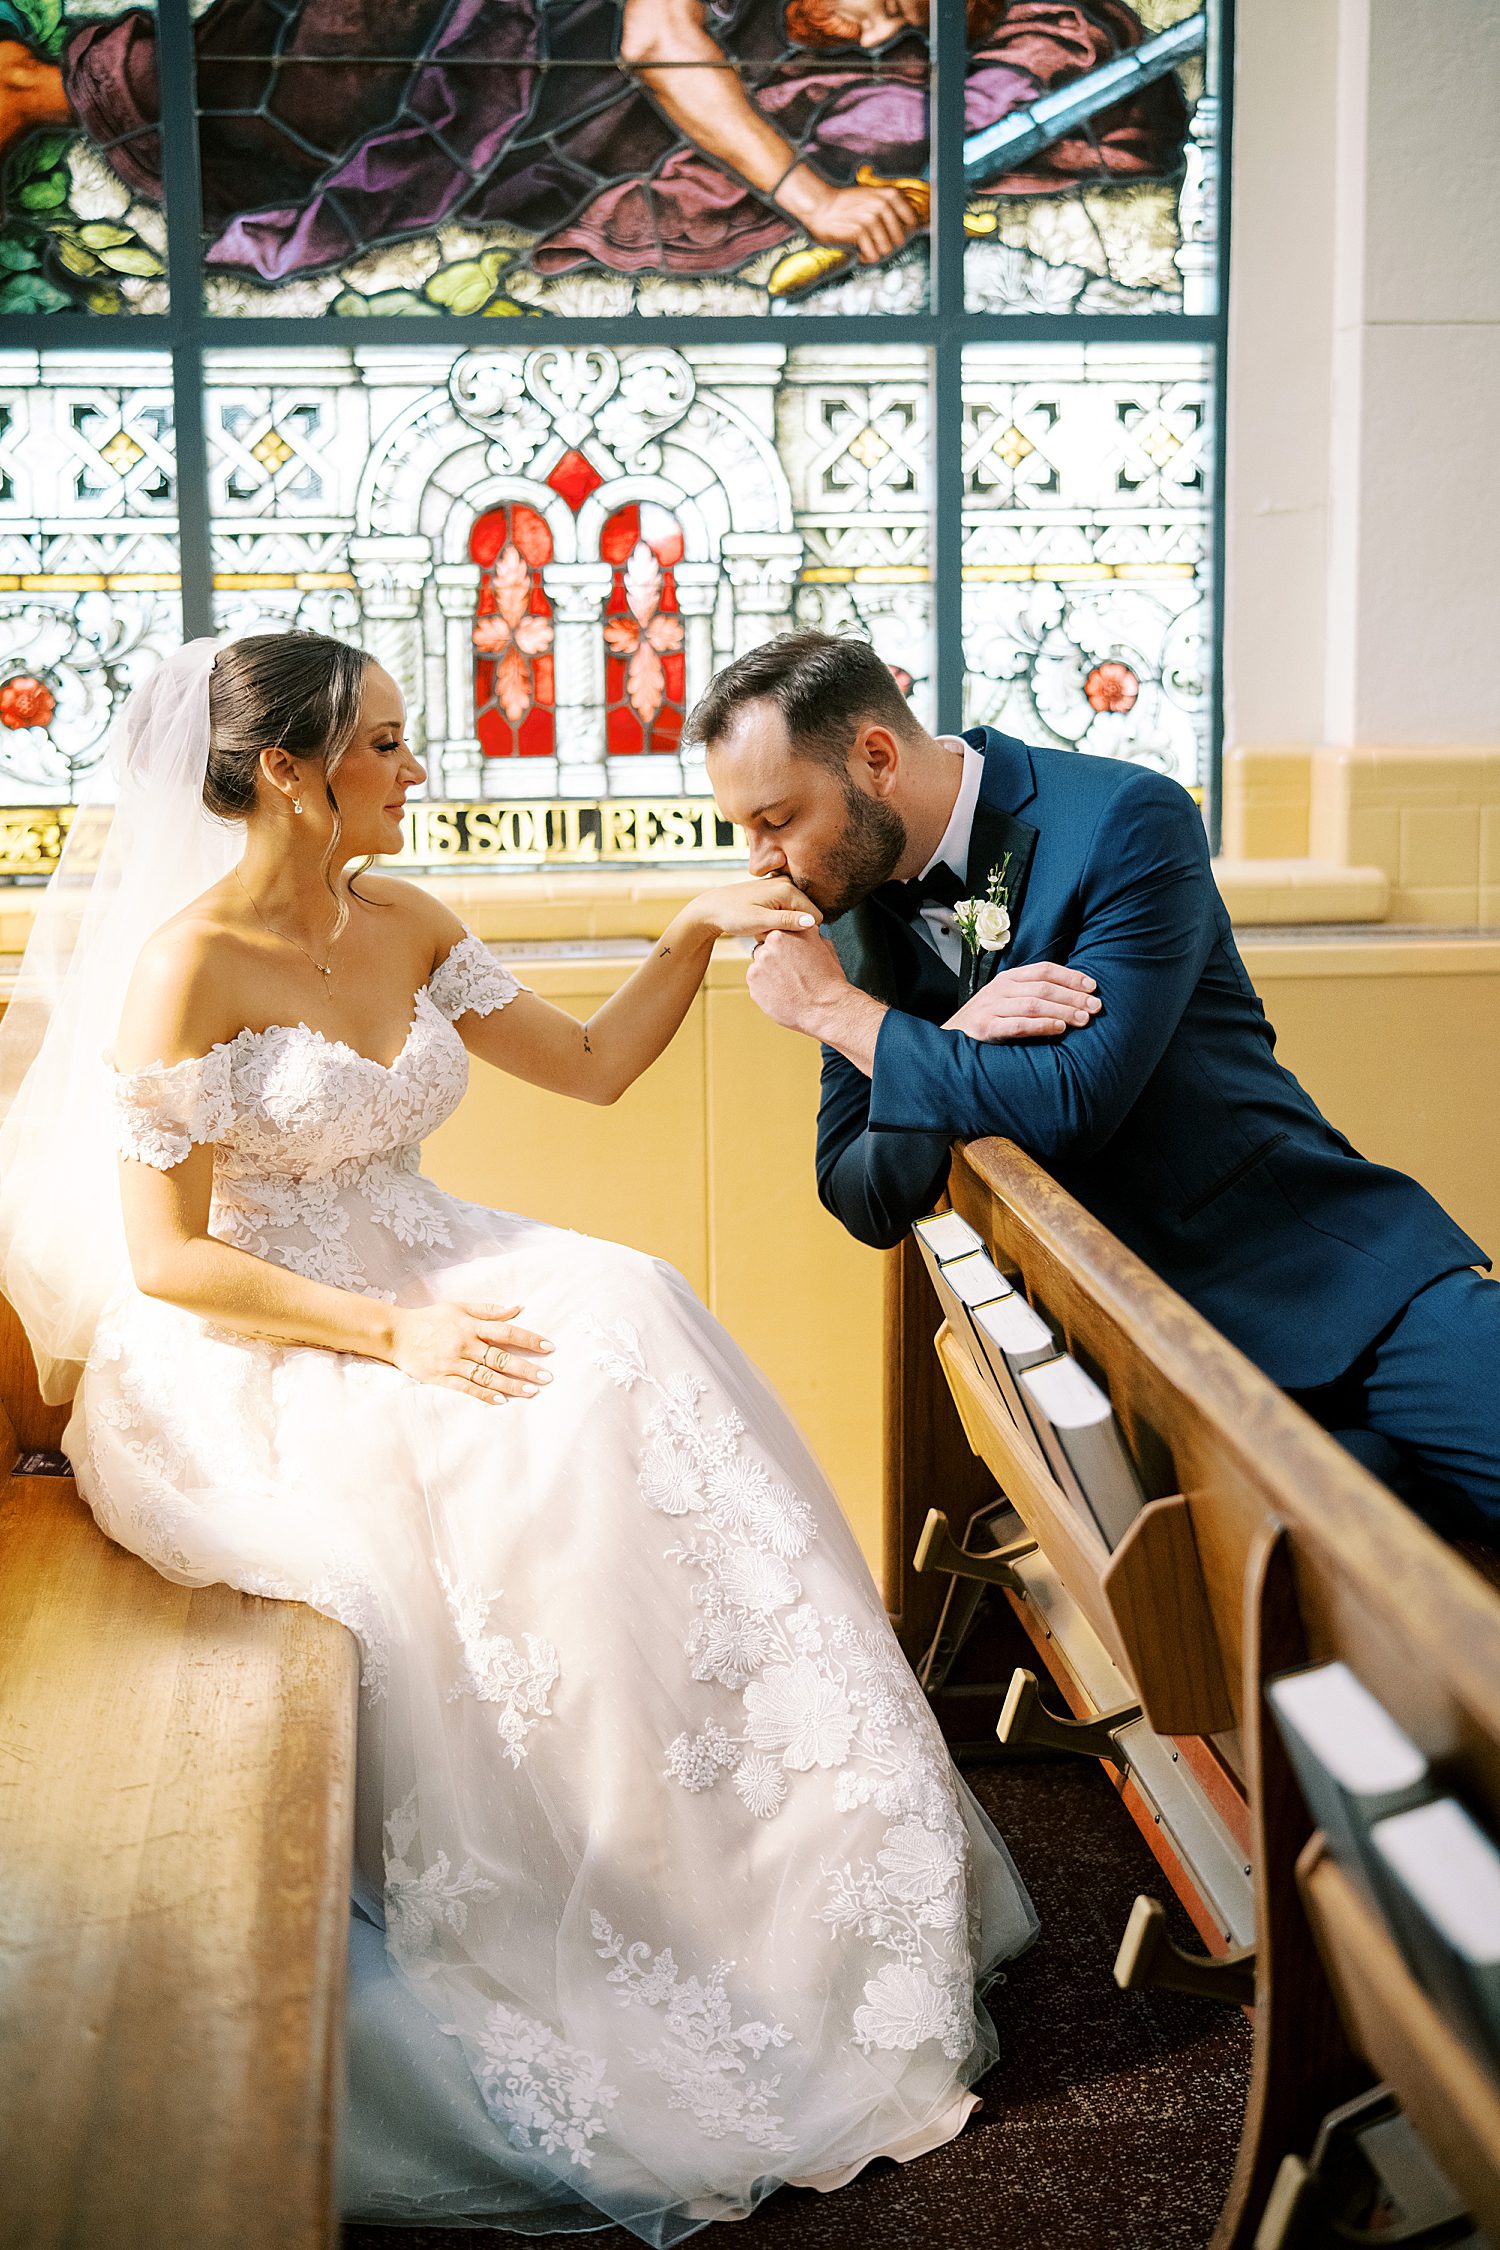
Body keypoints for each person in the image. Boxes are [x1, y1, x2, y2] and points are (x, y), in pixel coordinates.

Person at [0, 632, 1042, 2243]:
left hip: (429, 1250)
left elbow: (594, 1066)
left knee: (627, 1308)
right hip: (268, 1327)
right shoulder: (184, 967)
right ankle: (598, 1885)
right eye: (385, 743)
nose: (417, 769)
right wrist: (394, 1336)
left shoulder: (406, 916)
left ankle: (763, 1864)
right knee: (513, 1450)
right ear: (288, 771)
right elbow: (170, 1262)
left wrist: (690, 930)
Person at [692, 631, 1500, 1539]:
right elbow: (857, 1191)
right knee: (1347, 1586)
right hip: (1148, 1362)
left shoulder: (1123, 818)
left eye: (776, 819)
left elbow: (1075, 1100)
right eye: (744, 830)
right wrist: (947, 1033)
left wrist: (840, 1016)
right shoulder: (842, 911)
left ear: (876, 759)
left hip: (1324, 1281)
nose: (759, 860)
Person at [0, 0, 1187, 289]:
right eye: (886, 4)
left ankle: (41, 93)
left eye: (899, 30)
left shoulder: (829, 50)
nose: (880, 31)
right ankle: (43, 89)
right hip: (481, 32)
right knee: (321, 71)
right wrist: (814, 199)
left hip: (547, 123)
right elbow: (658, 33)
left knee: (314, 133)